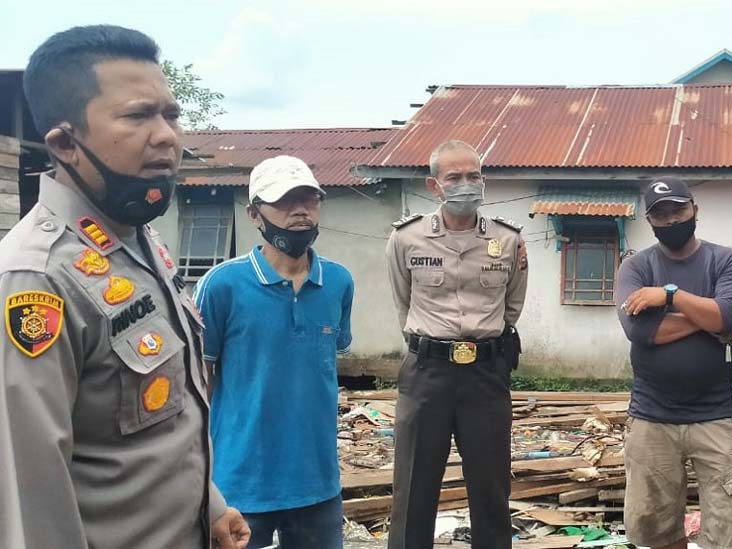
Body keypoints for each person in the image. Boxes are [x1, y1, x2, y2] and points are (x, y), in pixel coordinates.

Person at [0, 25, 249, 548]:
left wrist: (209, 507)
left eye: (171, 115)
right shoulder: (37, 278)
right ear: (65, 144)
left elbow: (161, 421)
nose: (167, 136)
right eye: (139, 116)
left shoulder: (138, 241)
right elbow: (29, 500)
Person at [195, 155, 353, 549]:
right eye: (284, 201)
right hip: (240, 484)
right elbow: (197, 386)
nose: (300, 211)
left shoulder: (338, 282)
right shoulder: (222, 286)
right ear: (254, 214)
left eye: (308, 199)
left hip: (318, 483)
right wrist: (200, 478)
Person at [385, 140, 528, 549]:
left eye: (473, 175)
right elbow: (403, 301)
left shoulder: (509, 240)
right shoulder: (406, 238)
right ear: (434, 186)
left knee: (491, 486)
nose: (466, 184)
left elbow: (512, 306)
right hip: (426, 372)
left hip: (485, 373)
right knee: (414, 487)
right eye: (454, 177)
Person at [616, 177, 732, 549]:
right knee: (656, 532)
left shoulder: (725, 260)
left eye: (678, 209)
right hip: (651, 417)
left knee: (730, 532)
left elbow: (731, 315)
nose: (672, 219)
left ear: (695, 209)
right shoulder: (636, 267)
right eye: (661, 214)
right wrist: (708, 318)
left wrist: (669, 297)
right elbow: (640, 331)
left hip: (716, 416)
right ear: (649, 220)